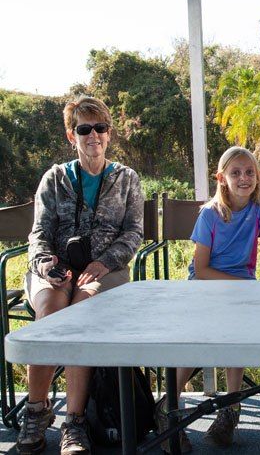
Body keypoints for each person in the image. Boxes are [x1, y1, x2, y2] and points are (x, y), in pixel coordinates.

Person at [20, 96, 144, 455]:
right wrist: (47, 264)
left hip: (107, 270)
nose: (94, 136)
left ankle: (74, 423)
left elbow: (133, 233)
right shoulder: (55, 178)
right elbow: (39, 232)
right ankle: (36, 409)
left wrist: (104, 262)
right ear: (70, 135)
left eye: (100, 128)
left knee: (81, 313)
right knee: (50, 312)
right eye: (84, 129)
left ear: (109, 133)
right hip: (56, 267)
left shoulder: (126, 179)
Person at [153, 146, 260, 452]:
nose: (244, 178)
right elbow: (202, 268)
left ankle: (230, 409)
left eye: (249, 172)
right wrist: (242, 286)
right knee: (200, 338)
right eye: (235, 173)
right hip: (207, 285)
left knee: (236, 336)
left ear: (258, 176)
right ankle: (168, 408)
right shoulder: (211, 214)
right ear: (221, 178)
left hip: (242, 288)